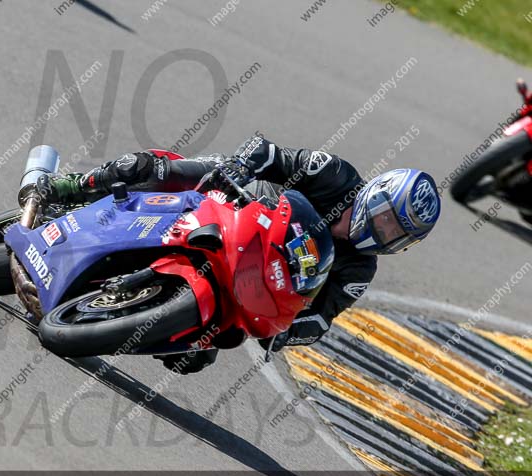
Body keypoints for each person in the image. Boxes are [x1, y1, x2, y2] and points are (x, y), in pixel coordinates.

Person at [41, 134, 441, 373]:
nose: (384, 233)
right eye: (388, 219)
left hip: (247, 277)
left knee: (191, 358)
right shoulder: (334, 173)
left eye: (397, 236)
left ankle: (118, 309)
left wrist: (287, 331)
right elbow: (268, 152)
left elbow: (321, 319)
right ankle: (71, 188)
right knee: (151, 170)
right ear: (377, 194)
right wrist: (239, 169)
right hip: (231, 203)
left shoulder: (359, 268)